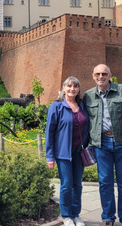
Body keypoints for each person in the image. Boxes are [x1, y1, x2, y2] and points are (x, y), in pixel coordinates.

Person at [83, 64, 122, 226]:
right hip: (101, 144)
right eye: (97, 74)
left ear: (110, 75)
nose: (101, 76)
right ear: (93, 76)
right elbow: (85, 121)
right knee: (105, 182)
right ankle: (107, 217)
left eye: (104, 74)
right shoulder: (89, 96)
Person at [46, 76, 90, 226]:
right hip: (63, 153)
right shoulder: (56, 106)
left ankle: (76, 214)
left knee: (77, 184)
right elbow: (49, 132)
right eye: (69, 86)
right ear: (64, 88)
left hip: (79, 152)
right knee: (66, 184)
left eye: (75, 87)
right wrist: (49, 156)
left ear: (78, 89)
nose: (72, 89)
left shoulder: (82, 106)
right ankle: (66, 215)